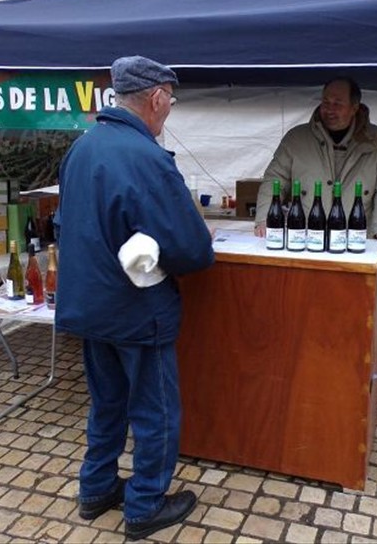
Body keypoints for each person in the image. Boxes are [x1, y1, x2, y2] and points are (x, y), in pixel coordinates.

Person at [56, 56, 215, 541]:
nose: (170, 109)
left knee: (106, 404)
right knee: (155, 411)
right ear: (157, 97)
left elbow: (64, 226)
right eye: (171, 99)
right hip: (137, 310)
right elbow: (192, 251)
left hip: (89, 307)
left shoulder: (81, 148)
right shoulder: (147, 157)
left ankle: (96, 489)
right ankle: (144, 505)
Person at [253, 77, 377, 251]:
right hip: (305, 241)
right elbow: (273, 180)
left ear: (355, 107)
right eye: (326, 102)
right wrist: (265, 220)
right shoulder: (296, 139)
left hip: (356, 243)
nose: (330, 110)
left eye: (338, 104)